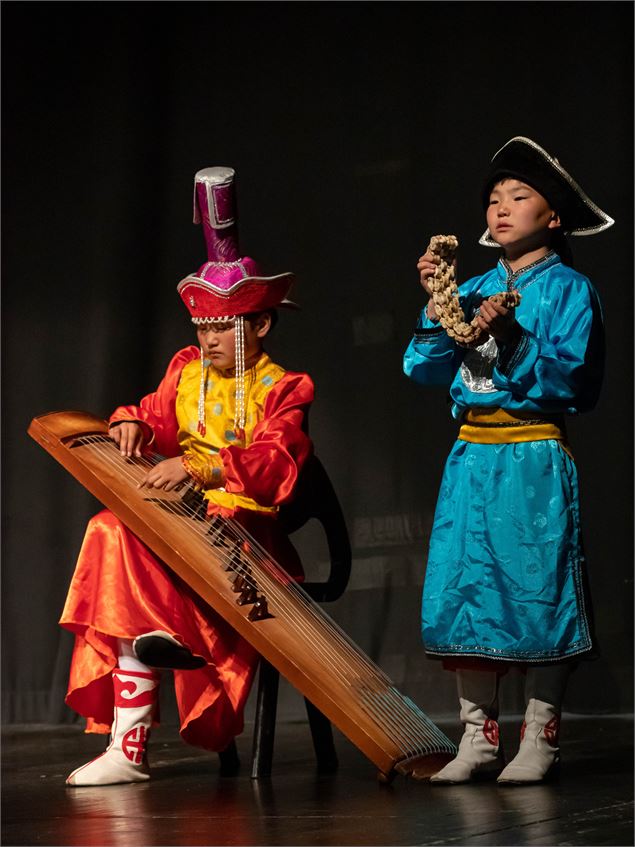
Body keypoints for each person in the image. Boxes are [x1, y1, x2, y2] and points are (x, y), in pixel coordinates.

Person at [62, 166, 314, 786]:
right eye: (199, 327)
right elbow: (148, 414)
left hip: (248, 532)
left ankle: (135, 730)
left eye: (219, 328)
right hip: (183, 524)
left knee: (122, 541)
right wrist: (132, 426)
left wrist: (202, 466)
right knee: (106, 528)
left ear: (258, 325)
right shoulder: (186, 371)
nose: (206, 340)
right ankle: (132, 735)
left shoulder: (284, 387)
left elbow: (277, 464)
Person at [403, 136, 613, 785]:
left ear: (552, 216)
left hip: (531, 459)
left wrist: (512, 335)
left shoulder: (569, 290)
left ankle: (540, 737)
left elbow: (574, 382)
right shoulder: (469, 287)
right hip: (471, 455)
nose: (500, 208)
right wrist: (441, 306)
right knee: (467, 592)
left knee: (535, 592)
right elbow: (420, 366)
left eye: (518, 197)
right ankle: (476, 737)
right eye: (493, 198)